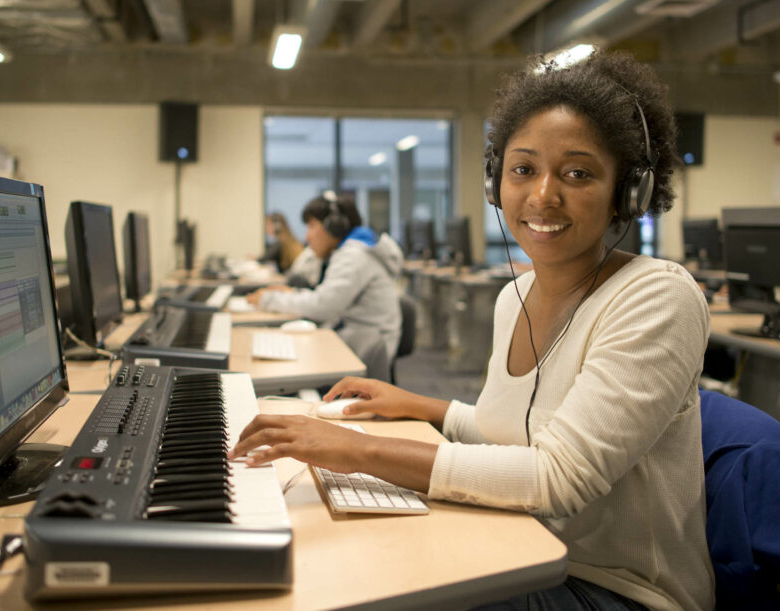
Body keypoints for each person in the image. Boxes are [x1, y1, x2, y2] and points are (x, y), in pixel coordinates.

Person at [233, 51, 715, 610]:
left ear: (628, 193)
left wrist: (358, 450)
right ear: (496, 183)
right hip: (522, 542)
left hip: (614, 589)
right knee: (341, 560)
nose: (542, 196)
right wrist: (419, 406)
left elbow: (557, 478)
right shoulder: (514, 296)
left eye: (578, 173)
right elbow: (510, 432)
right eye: (523, 169)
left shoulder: (657, 296)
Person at [248, 192, 403, 381]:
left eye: (312, 226)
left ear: (335, 227)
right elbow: (324, 297)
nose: (308, 236)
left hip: (363, 351)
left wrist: (268, 299)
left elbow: (323, 306)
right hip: (350, 338)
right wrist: (293, 293)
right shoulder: (351, 251)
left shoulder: (354, 256)